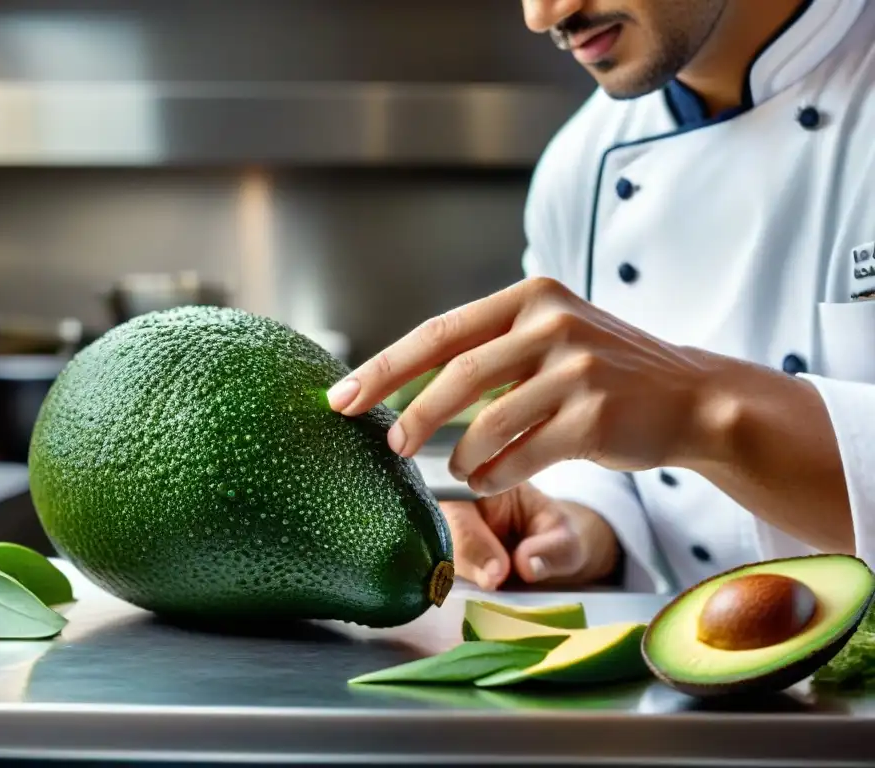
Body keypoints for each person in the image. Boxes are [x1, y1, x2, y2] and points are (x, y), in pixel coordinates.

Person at [326, 0, 875, 595]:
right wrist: (582, 527)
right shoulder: (579, 167)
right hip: (691, 676)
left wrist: (702, 409)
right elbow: (613, 473)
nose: (545, 16)